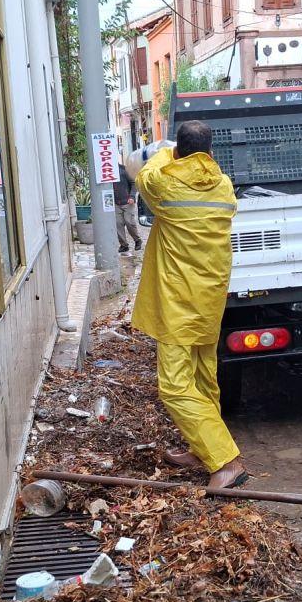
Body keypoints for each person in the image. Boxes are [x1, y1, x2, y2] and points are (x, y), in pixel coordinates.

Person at [132, 120, 248, 489]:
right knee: (202, 377)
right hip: (210, 298)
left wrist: (167, 152)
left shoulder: (164, 184)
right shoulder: (224, 185)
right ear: (211, 152)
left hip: (178, 301)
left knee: (175, 386)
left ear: (179, 152)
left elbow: (145, 172)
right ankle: (202, 448)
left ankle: (225, 461)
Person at [113, 177, 144, 254]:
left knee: (129, 222)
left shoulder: (123, 170)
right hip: (115, 203)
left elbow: (134, 183)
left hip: (128, 202)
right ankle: (124, 245)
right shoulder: (108, 171)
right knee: (118, 223)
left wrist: (132, 196)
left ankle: (137, 240)